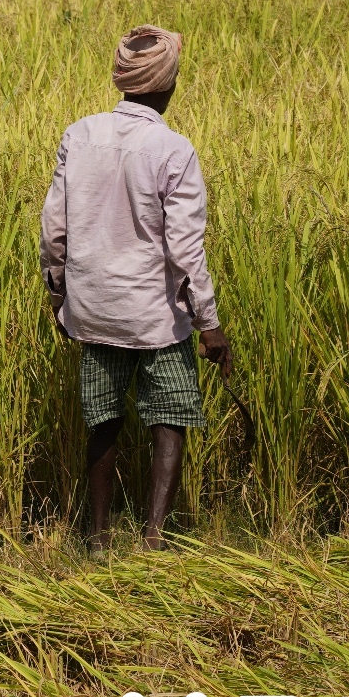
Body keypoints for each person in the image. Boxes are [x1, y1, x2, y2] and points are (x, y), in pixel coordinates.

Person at [41, 27, 231, 551]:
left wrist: (58, 292)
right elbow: (186, 249)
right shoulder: (173, 149)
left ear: (123, 80)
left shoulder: (79, 134)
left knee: (102, 419)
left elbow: (54, 227)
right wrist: (209, 325)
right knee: (169, 418)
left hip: (94, 308)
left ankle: (97, 539)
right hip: (155, 315)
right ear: (167, 85)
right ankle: (152, 537)